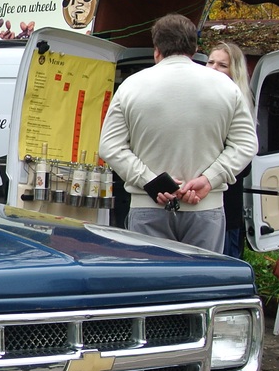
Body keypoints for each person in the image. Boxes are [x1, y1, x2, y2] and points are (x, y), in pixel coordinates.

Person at [99, 14, 258, 252]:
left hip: (148, 207)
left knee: (151, 287)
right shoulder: (227, 87)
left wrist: (150, 182)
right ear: (194, 49)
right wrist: (209, 179)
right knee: (201, 286)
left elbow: (110, 147)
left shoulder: (130, 86)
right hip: (205, 207)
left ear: (156, 50)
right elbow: (246, 145)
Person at [205, 41, 255, 259]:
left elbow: (244, 166)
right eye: (210, 62)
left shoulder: (241, 104)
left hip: (225, 205)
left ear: (235, 71)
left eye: (222, 65)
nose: (214, 68)